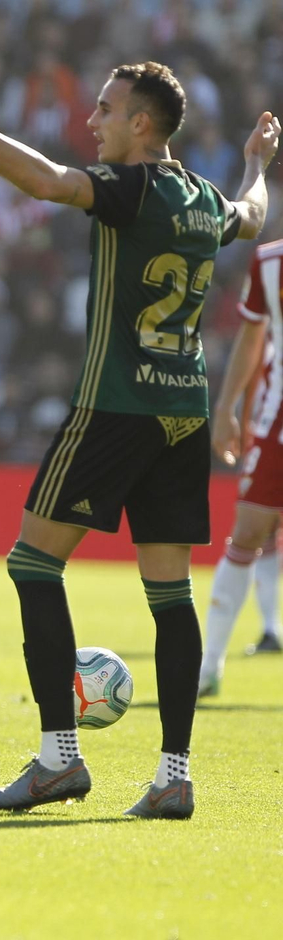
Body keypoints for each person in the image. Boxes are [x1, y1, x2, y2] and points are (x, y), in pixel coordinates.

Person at [0, 58, 278, 819]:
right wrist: (256, 163)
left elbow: (46, 182)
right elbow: (254, 214)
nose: (91, 121)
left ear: (143, 125)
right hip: (185, 410)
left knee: (34, 562)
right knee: (170, 592)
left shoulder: (128, 190)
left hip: (116, 404)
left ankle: (57, 759)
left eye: (105, 109)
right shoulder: (204, 200)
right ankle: (174, 774)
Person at [200, 241, 283, 696]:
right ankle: (209, 666)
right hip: (277, 419)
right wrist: (229, 406)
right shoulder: (270, 262)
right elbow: (252, 338)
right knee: (251, 529)